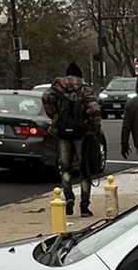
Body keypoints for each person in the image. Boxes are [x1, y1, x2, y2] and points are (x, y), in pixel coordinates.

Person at [42, 63, 101, 217]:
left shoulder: (57, 87)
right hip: (81, 134)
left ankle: (68, 197)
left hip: (63, 133)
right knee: (83, 170)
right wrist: (92, 127)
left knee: (65, 168)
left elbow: (45, 98)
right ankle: (84, 206)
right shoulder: (85, 88)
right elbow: (95, 109)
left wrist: (55, 116)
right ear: (80, 74)